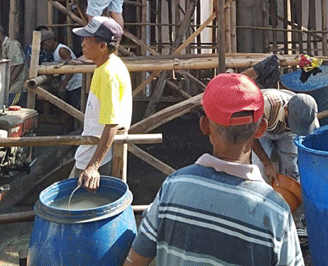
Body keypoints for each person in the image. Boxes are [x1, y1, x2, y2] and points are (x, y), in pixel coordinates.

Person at [122, 73, 304, 266]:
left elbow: (134, 261)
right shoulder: (276, 211)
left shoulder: (172, 188)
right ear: (261, 130)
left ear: (204, 126)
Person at [70, 16, 132, 190]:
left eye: (87, 40)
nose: (82, 44)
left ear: (102, 46)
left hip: (95, 156)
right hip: (91, 151)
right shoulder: (105, 65)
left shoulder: (108, 74)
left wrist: (93, 166)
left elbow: (112, 123)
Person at [250, 88, 318, 186]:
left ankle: (291, 195)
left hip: (287, 134)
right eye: (294, 125)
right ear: (286, 110)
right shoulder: (266, 106)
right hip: (262, 131)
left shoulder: (309, 119)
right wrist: (267, 163)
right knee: (260, 168)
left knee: (291, 168)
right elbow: (251, 136)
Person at [39, 30, 83, 110]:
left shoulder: (61, 50)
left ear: (51, 41)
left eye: (45, 44)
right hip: (70, 84)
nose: (45, 47)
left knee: (76, 108)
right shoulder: (55, 52)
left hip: (76, 84)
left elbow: (71, 67)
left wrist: (63, 85)